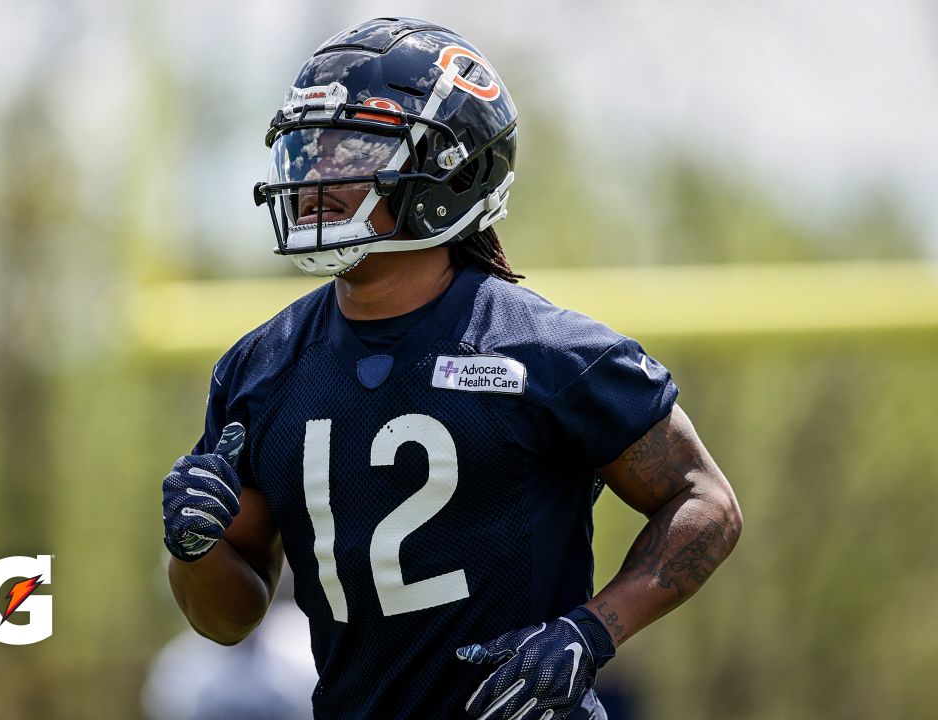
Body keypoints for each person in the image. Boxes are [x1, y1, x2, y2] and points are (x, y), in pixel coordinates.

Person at [161, 17, 742, 720]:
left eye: (352, 147)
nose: (317, 170)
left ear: (449, 166)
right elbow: (227, 620)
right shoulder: (261, 369)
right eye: (311, 144)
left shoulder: (545, 351)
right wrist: (195, 551)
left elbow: (705, 503)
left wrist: (592, 631)